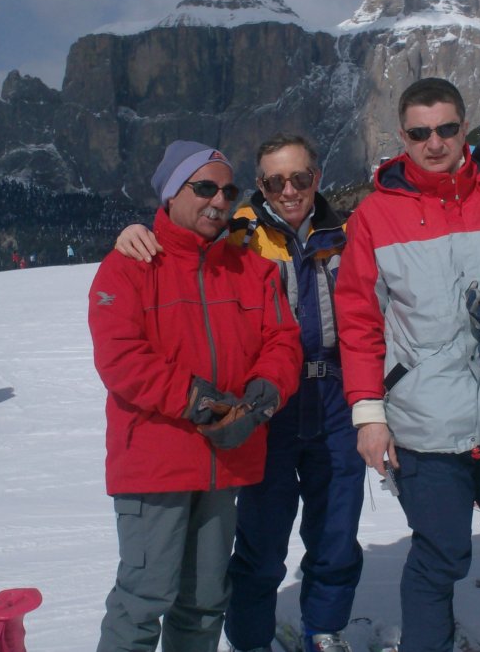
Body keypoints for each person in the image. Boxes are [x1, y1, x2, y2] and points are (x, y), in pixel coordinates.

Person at [335, 78, 480, 652]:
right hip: (426, 419)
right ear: (403, 137)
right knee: (440, 553)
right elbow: (359, 321)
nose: (434, 143)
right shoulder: (376, 216)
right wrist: (369, 414)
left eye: (446, 129)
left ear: (465, 128)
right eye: (420, 133)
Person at [115, 133, 364, 652]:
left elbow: (285, 336)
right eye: (275, 181)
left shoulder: (348, 232)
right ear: (262, 187)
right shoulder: (238, 239)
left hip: (325, 398)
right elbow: (126, 346)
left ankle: (324, 630)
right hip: (244, 421)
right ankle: (251, 639)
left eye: (300, 178)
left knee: (335, 535)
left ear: (318, 178)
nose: (289, 190)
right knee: (256, 544)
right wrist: (133, 231)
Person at [88, 140, 303, 652]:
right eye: (204, 187)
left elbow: (283, 342)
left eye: (229, 191)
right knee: (144, 599)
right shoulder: (130, 265)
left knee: (206, 600)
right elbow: (119, 356)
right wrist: (192, 399)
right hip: (155, 462)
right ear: (170, 193)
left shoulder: (251, 268)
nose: (219, 200)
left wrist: (261, 398)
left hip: (223, 461)